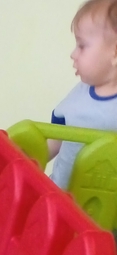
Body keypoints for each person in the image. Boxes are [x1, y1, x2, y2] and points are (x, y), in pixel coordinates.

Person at [49, 0, 117, 190]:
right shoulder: (80, 92)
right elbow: (55, 136)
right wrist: (27, 159)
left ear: (115, 53)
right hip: (57, 196)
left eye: (82, 45)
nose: (73, 54)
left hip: (102, 206)